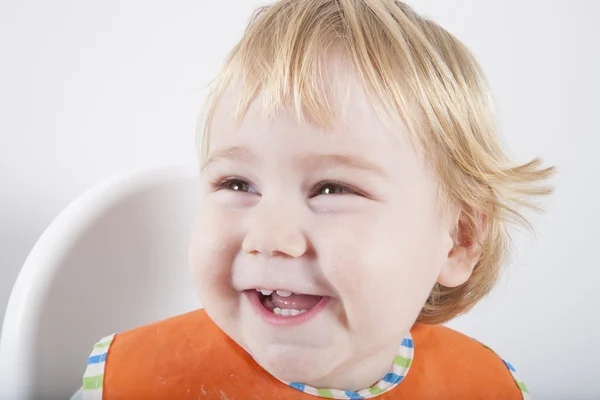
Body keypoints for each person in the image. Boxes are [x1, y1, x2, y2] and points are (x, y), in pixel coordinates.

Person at [73, 0, 554, 398]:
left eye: (333, 188)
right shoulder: (130, 383)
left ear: (458, 240)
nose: (269, 237)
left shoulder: (487, 387)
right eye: (236, 184)